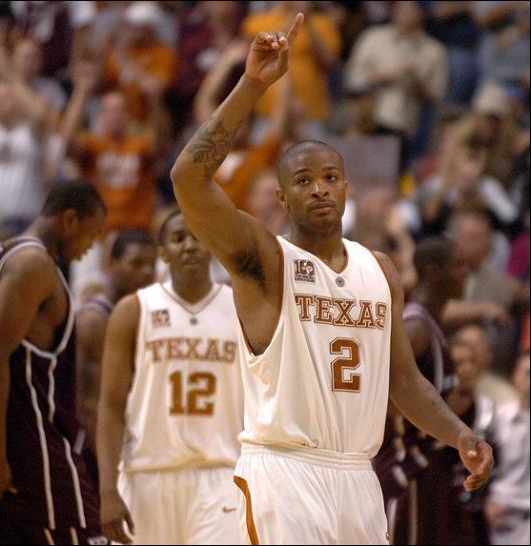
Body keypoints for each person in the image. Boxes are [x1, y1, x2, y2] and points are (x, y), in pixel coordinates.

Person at [169, 14, 493, 544]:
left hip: (359, 480)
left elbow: (404, 382)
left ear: (346, 189)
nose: (319, 189)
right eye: (303, 180)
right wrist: (253, 84)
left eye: (329, 178)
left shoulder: (381, 271)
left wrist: (461, 436)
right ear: (283, 198)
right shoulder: (266, 260)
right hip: (283, 474)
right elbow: (187, 178)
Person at [0, 179, 108, 545]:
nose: (89, 249)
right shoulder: (33, 264)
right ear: (69, 220)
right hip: (27, 445)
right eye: (92, 234)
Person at [97, 209, 243, 545]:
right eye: (178, 239)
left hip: (221, 474)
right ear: (163, 252)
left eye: (197, 237)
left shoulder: (240, 308)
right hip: (147, 474)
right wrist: (107, 490)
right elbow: (110, 407)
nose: (190, 246)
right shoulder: (134, 310)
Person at [374, 237, 478, 545]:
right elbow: (380, 394)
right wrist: (445, 411)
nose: (465, 272)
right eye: (457, 265)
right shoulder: (416, 328)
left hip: (432, 470)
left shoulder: (431, 324)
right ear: (433, 272)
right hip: (408, 469)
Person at [76, 230, 156, 458]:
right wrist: (112, 465)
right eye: (137, 263)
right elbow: (88, 405)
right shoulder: (94, 321)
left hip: (133, 441)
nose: (147, 272)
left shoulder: (145, 314)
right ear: (112, 264)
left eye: (151, 264)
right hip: (96, 450)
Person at [483, 351, 530, 546]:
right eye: (528, 373)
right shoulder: (497, 419)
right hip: (499, 518)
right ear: (515, 376)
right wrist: (485, 501)